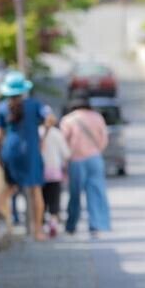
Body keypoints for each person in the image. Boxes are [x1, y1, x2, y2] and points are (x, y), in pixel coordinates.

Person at [0, 71, 47, 240]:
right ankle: (38, 230)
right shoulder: (35, 105)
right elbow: (51, 119)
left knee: (9, 189)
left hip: (10, 151)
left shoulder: (2, 107)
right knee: (35, 191)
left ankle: (7, 225)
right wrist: (43, 137)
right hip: (31, 151)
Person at [60, 96, 111, 237]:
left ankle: (71, 225)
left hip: (76, 160)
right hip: (95, 158)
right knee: (96, 192)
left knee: (75, 194)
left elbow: (63, 143)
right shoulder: (97, 117)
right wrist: (95, 151)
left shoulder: (68, 120)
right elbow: (104, 139)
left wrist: (66, 160)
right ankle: (96, 225)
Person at [39, 112, 71, 239]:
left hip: (39, 172)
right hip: (54, 172)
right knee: (54, 201)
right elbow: (66, 153)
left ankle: (40, 226)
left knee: (41, 200)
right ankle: (53, 223)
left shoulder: (36, 132)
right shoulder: (57, 134)